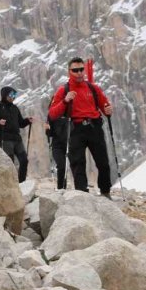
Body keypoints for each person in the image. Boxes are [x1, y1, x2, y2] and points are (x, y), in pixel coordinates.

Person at [49, 57, 114, 197]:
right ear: (69, 72)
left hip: (95, 127)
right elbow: (53, 113)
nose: (79, 73)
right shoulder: (63, 90)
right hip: (75, 128)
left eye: (81, 69)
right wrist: (65, 101)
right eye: (75, 70)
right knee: (78, 163)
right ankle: (82, 194)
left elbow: (105, 106)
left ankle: (105, 192)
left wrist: (108, 109)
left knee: (103, 162)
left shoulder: (93, 88)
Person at [0, 87, 33, 182]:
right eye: (11, 95)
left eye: (14, 95)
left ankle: (22, 183)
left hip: (17, 139)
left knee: (24, 160)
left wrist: (27, 121)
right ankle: (10, 183)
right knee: (10, 163)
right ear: (5, 95)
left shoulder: (15, 108)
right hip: (5, 138)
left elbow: (20, 123)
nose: (13, 97)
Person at [45, 114, 68, 190]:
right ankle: (60, 188)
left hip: (67, 144)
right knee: (62, 165)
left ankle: (64, 188)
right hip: (56, 146)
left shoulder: (68, 113)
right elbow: (50, 133)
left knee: (66, 166)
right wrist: (47, 130)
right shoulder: (52, 115)